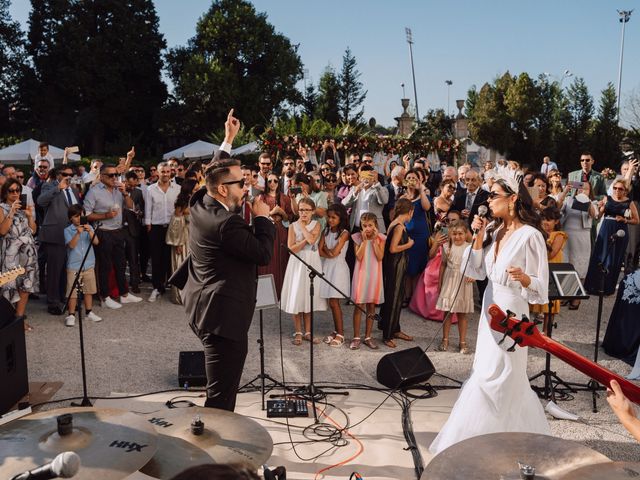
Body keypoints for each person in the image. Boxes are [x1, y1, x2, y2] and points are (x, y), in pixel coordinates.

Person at [429, 176, 551, 455]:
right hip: (489, 308)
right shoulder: (494, 232)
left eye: (493, 195)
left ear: (512, 198)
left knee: (506, 376)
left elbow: (542, 288)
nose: (488, 201)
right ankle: (480, 440)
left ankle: (505, 442)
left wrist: (525, 280)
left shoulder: (530, 236)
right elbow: (475, 272)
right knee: (484, 373)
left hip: (513, 313)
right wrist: (478, 236)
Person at [182, 109, 275, 411]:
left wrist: (227, 141)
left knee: (220, 391)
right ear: (224, 189)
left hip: (202, 306)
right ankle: (214, 455)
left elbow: (212, 170)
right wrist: (263, 219)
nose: (246, 188)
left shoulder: (201, 200)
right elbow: (262, 253)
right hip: (223, 321)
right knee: (221, 401)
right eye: (241, 183)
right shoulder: (226, 223)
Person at [280, 197, 326, 345]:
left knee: (308, 296)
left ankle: (308, 332)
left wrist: (304, 229)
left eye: (306, 210)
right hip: (297, 263)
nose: (303, 213)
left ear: (312, 211)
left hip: (312, 262)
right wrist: (305, 238)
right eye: (301, 210)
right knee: (297, 295)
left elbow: (313, 241)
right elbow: (291, 249)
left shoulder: (317, 224)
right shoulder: (293, 226)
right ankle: (298, 331)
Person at [37, 165, 82, 314]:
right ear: (58, 175)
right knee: (54, 269)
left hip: (72, 234)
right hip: (55, 234)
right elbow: (41, 201)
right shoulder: (49, 186)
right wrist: (58, 188)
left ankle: (65, 297)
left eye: (71, 174)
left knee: (67, 269)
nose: (69, 176)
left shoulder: (74, 190)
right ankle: (53, 302)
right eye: (65, 174)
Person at [584, 179, 639, 296]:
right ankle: (592, 286)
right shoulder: (607, 198)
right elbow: (598, 216)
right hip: (606, 229)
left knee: (613, 259)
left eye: (620, 189)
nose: (617, 191)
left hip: (620, 231)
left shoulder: (629, 202)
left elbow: (636, 220)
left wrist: (625, 219)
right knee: (600, 256)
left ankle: (607, 288)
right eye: (615, 188)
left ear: (625, 191)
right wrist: (600, 207)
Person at [0, 179, 38, 331]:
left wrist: (29, 216)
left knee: (25, 286)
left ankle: (19, 320)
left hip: (28, 254)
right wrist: (11, 212)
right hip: (11, 254)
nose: (15, 193)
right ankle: (8, 323)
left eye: (18, 190)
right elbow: (2, 231)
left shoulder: (24, 208)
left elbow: (33, 230)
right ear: (5, 192)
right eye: (12, 191)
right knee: (10, 287)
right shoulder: (2, 208)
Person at [379, 198, 414, 348]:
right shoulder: (399, 226)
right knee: (393, 299)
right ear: (410, 212)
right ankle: (387, 334)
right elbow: (393, 248)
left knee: (397, 297)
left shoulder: (396, 223)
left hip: (396, 265)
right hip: (395, 266)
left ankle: (395, 329)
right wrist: (409, 244)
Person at [435, 220, 474, 354]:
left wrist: (473, 275)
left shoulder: (469, 247)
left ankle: (462, 342)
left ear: (466, 234)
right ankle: (445, 339)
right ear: (450, 234)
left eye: (460, 234)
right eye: (455, 234)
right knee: (448, 313)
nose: (457, 237)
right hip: (449, 280)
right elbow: (443, 264)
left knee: (462, 314)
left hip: (463, 281)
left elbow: (475, 265)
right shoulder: (447, 246)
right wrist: (440, 283)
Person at [145, 161, 181, 302]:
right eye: (163, 172)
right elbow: (148, 208)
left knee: (168, 258)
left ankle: (167, 284)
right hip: (156, 227)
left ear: (171, 172)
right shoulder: (150, 189)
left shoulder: (177, 188)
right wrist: (148, 224)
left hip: (172, 227)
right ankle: (156, 287)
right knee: (156, 258)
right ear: (157, 173)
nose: (165, 174)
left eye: (167, 171)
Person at [560, 180, 598, 309]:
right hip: (567, 236)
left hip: (582, 238)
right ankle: (566, 295)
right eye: (580, 188)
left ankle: (576, 298)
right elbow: (557, 207)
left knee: (579, 266)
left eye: (586, 189)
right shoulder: (569, 200)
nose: (582, 191)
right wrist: (565, 191)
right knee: (566, 265)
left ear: (590, 192)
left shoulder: (592, 203)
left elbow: (594, 215)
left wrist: (587, 201)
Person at [350, 212, 385, 350]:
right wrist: (364, 241)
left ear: (375, 225)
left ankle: (368, 337)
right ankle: (356, 337)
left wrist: (375, 240)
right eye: (364, 226)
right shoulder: (357, 238)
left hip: (375, 276)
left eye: (370, 225)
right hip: (361, 275)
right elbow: (358, 256)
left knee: (371, 306)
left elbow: (380, 256)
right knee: (359, 306)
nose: (367, 228)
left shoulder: (381, 238)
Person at [529, 207, 567, 332]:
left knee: (550, 305)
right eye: (543, 219)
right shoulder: (537, 234)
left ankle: (546, 333)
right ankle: (532, 333)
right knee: (535, 303)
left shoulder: (559, 235)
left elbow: (551, 254)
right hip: (539, 270)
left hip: (551, 271)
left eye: (549, 220)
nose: (545, 222)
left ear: (556, 221)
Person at [63, 205, 102, 326]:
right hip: (74, 265)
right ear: (70, 218)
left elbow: (96, 242)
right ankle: (71, 315)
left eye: (81, 215)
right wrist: (78, 233)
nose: (79, 218)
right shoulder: (68, 230)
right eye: (76, 216)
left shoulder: (89, 227)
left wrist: (90, 231)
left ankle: (89, 312)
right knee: (73, 291)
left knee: (88, 290)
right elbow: (71, 245)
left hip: (89, 264)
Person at [318, 203, 350, 347]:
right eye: (329, 217)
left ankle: (341, 334)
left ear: (340, 218)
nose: (330, 220)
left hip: (338, 269)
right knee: (331, 303)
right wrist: (326, 250)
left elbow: (334, 253)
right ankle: (336, 330)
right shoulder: (326, 230)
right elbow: (320, 252)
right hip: (328, 267)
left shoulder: (344, 234)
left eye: (334, 217)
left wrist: (326, 249)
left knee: (335, 303)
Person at [257, 172, 292, 298]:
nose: (272, 183)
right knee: (269, 259)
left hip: (281, 231)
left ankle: (282, 292)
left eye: (275, 181)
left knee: (281, 258)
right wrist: (273, 211)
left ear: (279, 182)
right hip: (267, 231)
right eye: (269, 181)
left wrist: (281, 212)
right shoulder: (261, 198)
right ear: (266, 183)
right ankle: (267, 294)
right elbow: (259, 216)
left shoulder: (284, 198)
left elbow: (289, 217)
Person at [400, 169, 431, 303]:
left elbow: (427, 207)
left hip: (421, 236)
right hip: (407, 235)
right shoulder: (402, 197)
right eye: (409, 178)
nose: (412, 180)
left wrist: (421, 190)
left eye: (414, 178)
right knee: (408, 267)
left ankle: (416, 298)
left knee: (418, 267)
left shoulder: (423, 195)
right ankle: (407, 296)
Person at [166, 179, 197, 304]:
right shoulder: (181, 203)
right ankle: (180, 296)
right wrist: (178, 243)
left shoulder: (197, 201)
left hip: (194, 239)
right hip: (182, 239)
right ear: (189, 189)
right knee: (181, 266)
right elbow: (176, 224)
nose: (197, 190)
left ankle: (192, 295)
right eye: (195, 188)